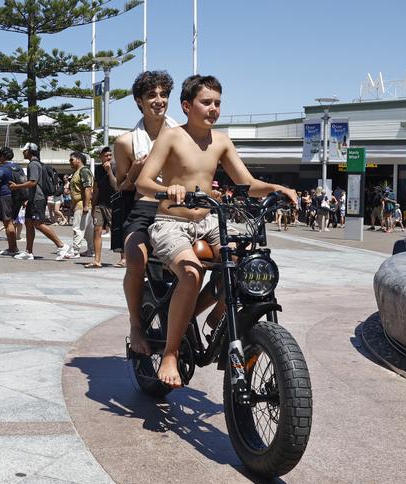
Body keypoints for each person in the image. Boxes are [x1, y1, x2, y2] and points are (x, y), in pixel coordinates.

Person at [135, 74, 297, 387]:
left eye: (218, 103)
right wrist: (169, 190)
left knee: (245, 265)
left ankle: (214, 316)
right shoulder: (170, 137)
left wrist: (277, 187)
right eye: (206, 102)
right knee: (192, 273)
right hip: (172, 223)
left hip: (211, 220)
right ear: (186, 105)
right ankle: (170, 353)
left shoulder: (221, 141)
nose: (213, 109)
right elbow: (144, 182)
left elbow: (246, 184)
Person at [114, 70, 178, 356]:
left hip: (178, 210)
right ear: (139, 101)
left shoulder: (184, 134)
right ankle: (136, 324)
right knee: (135, 259)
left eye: (164, 94)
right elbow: (120, 186)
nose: (159, 100)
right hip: (144, 207)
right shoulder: (125, 142)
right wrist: (135, 173)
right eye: (152, 95)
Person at [8, 142, 70, 260]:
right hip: (33, 199)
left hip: (38, 199)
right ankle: (28, 252)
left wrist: (17, 187)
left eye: (25, 150)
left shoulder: (33, 164)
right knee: (29, 223)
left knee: (39, 224)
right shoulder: (36, 163)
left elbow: (33, 182)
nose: (23, 152)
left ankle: (62, 245)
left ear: (30, 151)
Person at [85, 146, 119, 268]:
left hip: (113, 204)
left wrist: (109, 171)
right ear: (100, 157)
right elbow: (96, 188)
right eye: (106, 155)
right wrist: (93, 206)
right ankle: (97, 260)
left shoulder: (116, 167)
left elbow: (116, 186)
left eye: (110, 155)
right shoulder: (98, 169)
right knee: (97, 230)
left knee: (117, 231)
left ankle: (124, 258)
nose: (109, 157)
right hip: (101, 203)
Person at [57, 151, 94, 260]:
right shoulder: (78, 172)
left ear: (79, 160)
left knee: (77, 228)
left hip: (82, 204)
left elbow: (88, 188)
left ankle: (75, 251)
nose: (70, 162)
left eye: (71, 160)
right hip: (79, 204)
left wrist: (86, 205)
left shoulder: (84, 171)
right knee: (87, 231)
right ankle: (91, 250)